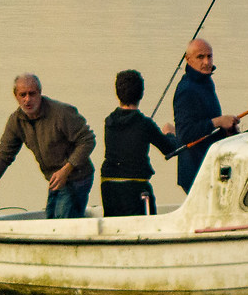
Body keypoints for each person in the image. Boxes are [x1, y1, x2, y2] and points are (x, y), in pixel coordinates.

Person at [0, 73, 95, 219]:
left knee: (62, 222)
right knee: (50, 219)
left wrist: (66, 170)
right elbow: (4, 153)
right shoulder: (17, 121)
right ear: (16, 96)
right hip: (55, 179)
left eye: (32, 94)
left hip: (77, 176)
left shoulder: (61, 113)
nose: (27, 99)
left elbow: (87, 140)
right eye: (23, 95)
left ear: (40, 93)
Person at [99, 69, 180, 216]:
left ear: (118, 93)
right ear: (141, 93)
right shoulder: (144, 124)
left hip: (108, 185)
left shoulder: (109, 121)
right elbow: (170, 149)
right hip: (135, 187)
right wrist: (170, 133)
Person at [172, 38, 240, 193]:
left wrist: (226, 129)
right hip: (194, 169)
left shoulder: (206, 82)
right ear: (188, 60)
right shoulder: (186, 89)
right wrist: (218, 121)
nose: (206, 62)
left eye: (209, 56)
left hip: (210, 164)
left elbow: (207, 124)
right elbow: (185, 133)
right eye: (200, 57)